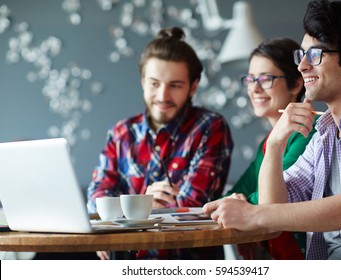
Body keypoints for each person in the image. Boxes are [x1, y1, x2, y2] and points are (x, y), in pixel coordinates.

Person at [204, 0, 341, 260]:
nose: (302, 66)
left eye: (315, 55)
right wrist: (277, 142)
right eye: (301, 55)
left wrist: (252, 214)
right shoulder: (324, 132)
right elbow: (275, 207)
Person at [87, 27, 234, 259]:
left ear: (193, 87)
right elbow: (98, 194)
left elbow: (194, 206)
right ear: (143, 81)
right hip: (125, 261)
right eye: (155, 83)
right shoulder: (121, 132)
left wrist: (125, 211)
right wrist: (145, 203)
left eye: (175, 85)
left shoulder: (210, 127)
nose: (163, 96)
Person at [224, 38, 317, 260]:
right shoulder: (266, 144)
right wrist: (238, 201)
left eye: (265, 79)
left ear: (296, 84)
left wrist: (243, 203)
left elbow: (272, 199)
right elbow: (232, 195)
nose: (254, 89)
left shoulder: (307, 136)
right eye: (250, 79)